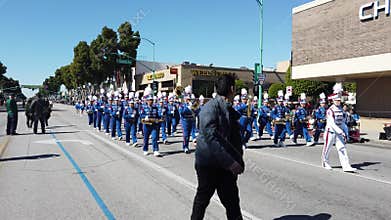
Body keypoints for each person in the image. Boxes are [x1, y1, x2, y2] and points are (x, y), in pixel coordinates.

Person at [191, 74, 244, 220]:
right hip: (209, 164)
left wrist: (238, 159)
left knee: (232, 201)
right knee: (202, 199)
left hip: (224, 166)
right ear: (232, 89)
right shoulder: (210, 108)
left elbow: (233, 138)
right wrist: (231, 163)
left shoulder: (228, 109)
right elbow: (212, 139)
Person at [322, 83, 357, 172]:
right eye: (336, 100)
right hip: (330, 132)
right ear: (333, 100)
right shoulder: (330, 110)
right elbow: (332, 123)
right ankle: (325, 162)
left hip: (339, 132)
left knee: (342, 148)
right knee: (327, 148)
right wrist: (340, 131)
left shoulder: (341, 110)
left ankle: (346, 166)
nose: (338, 101)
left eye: (339, 100)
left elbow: (342, 122)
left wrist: (346, 132)